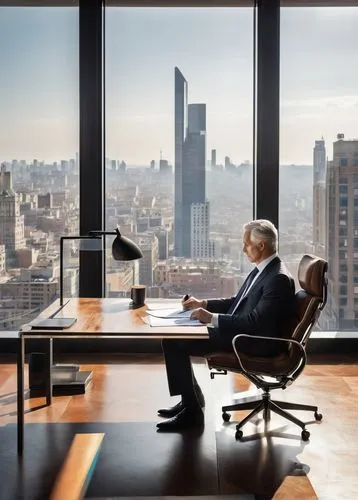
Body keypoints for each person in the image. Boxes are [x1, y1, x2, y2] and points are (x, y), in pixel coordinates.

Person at [157, 219, 296, 431]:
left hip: (253, 342)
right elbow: (237, 302)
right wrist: (203, 304)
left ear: (261, 246)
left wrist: (211, 318)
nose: (243, 249)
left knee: (175, 341)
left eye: (246, 244)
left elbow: (254, 322)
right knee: (175, 337)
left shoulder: (277, 278)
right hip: (242, 333)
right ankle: (190, 401)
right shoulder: (263, 270)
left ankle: (192, 412)